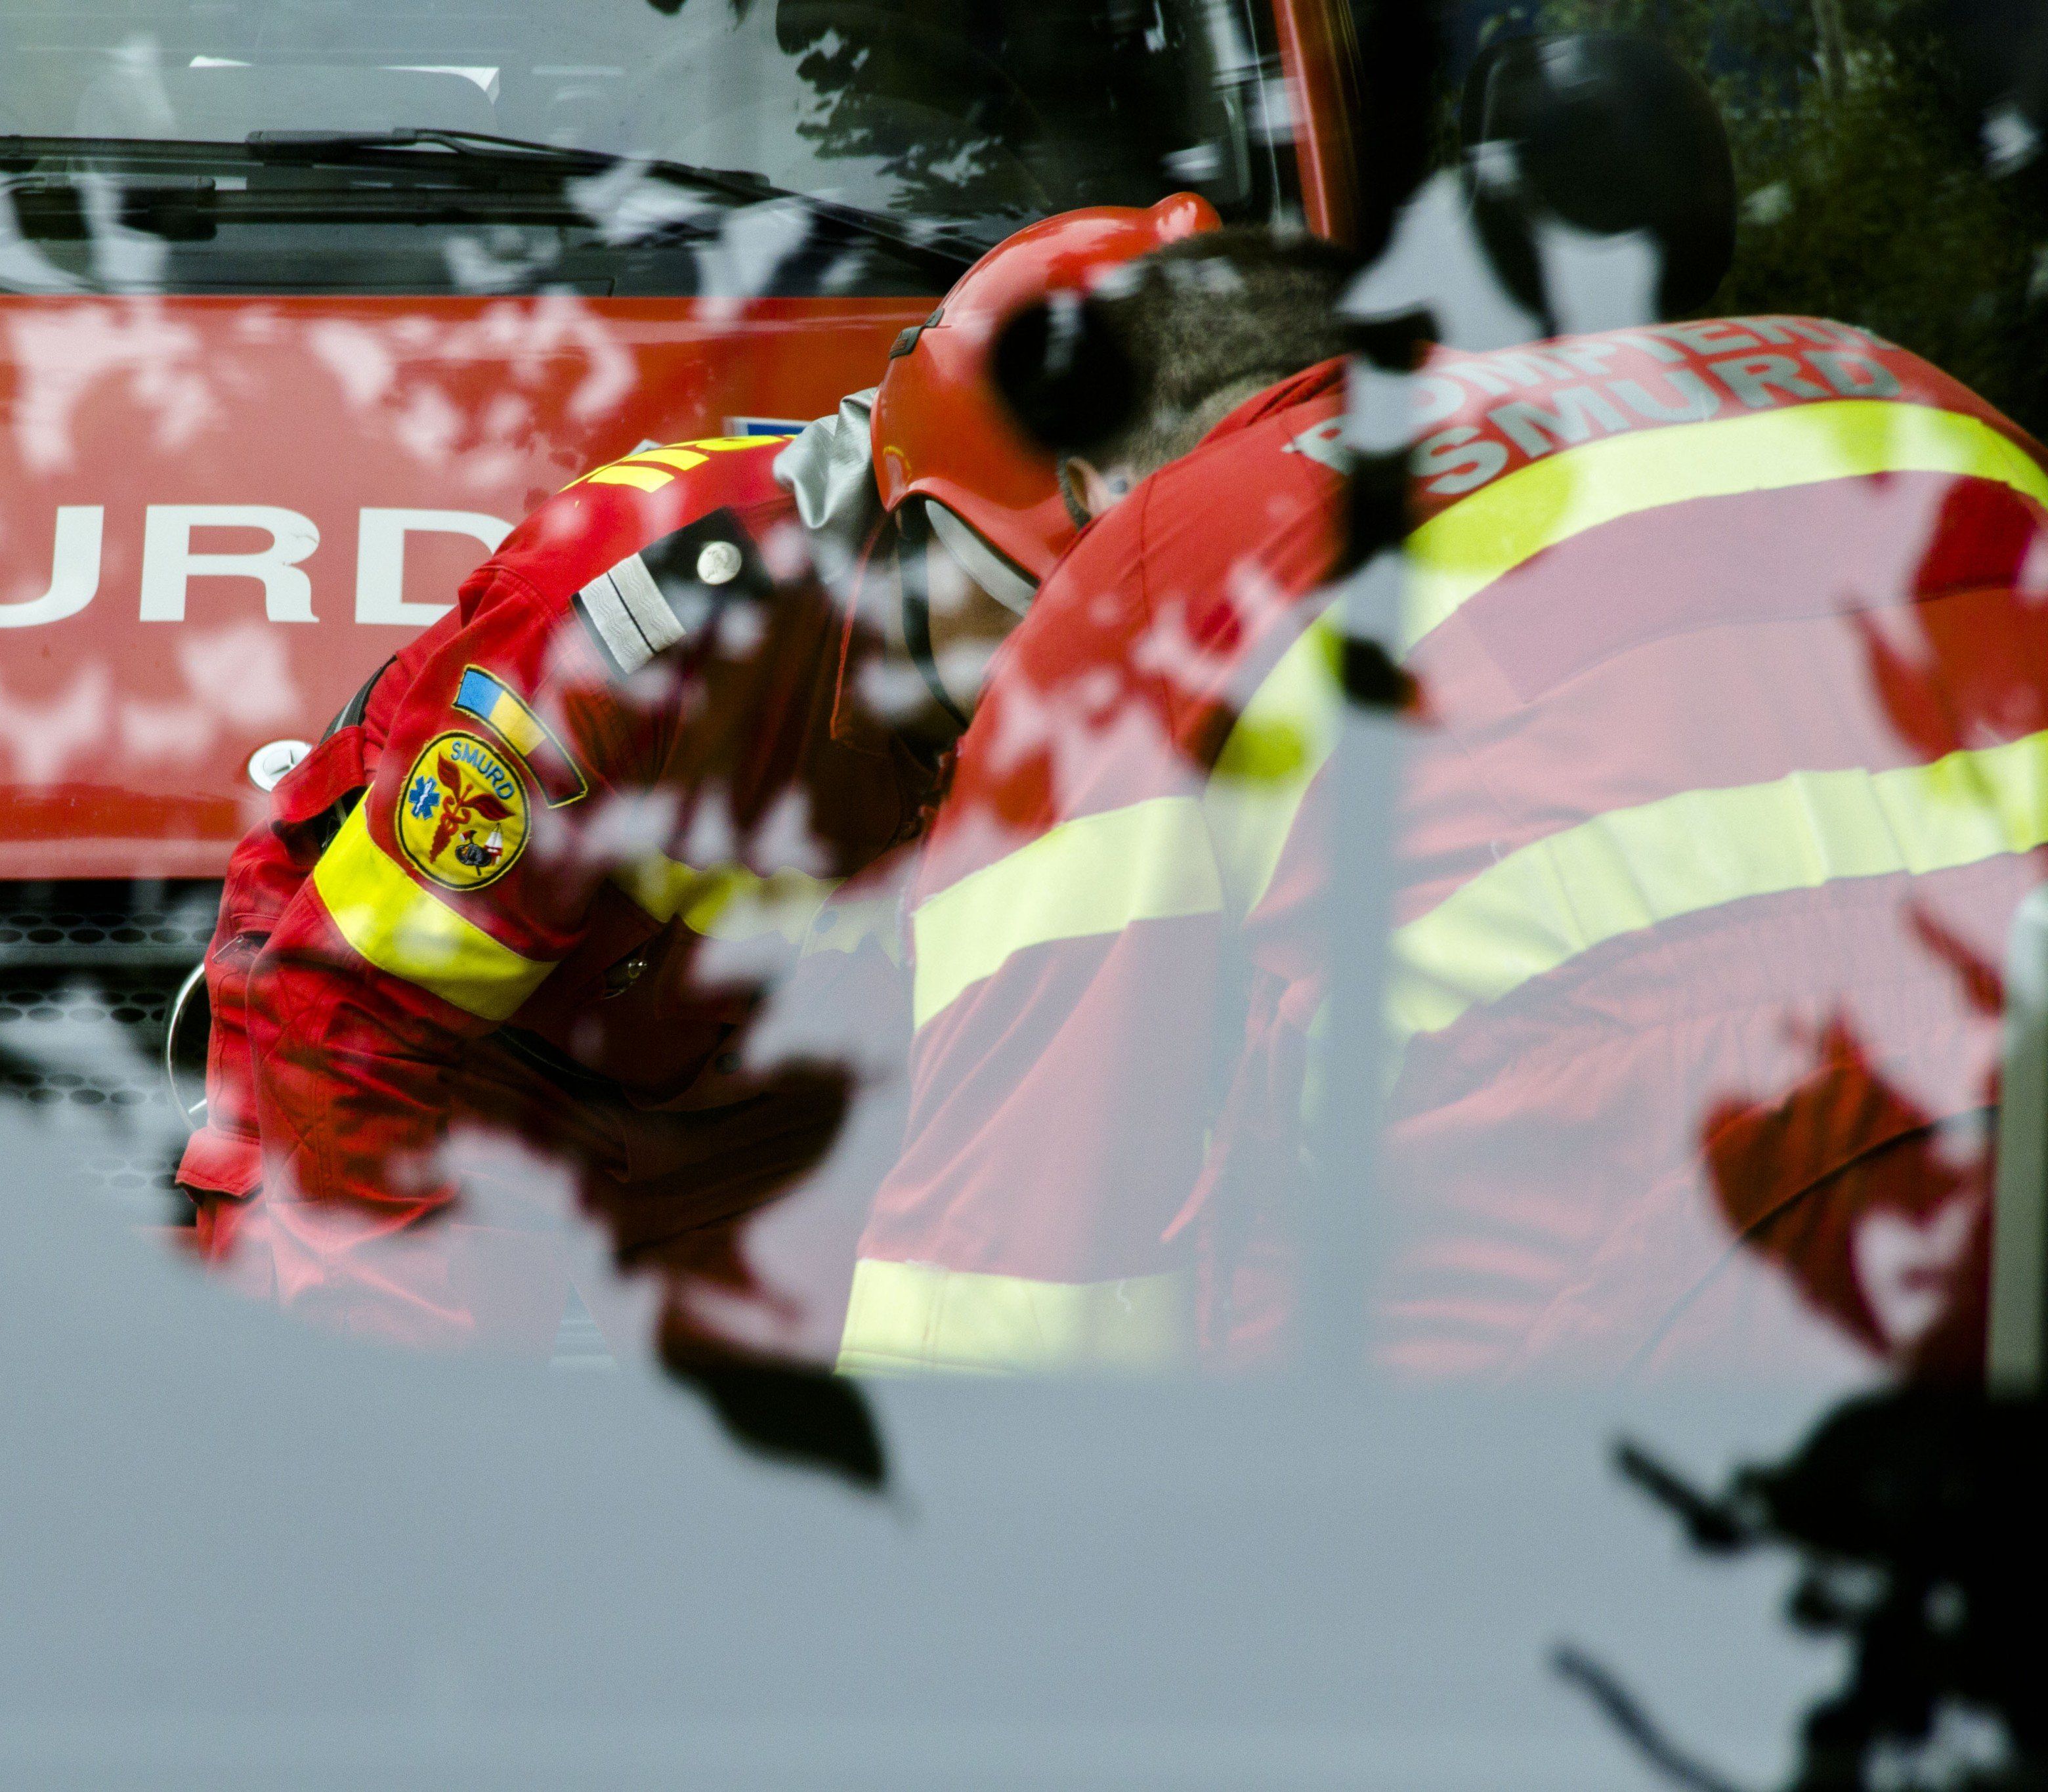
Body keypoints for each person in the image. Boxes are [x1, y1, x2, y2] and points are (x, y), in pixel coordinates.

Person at [842, 227, 2048, 1380]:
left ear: (1091, 484)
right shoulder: (1882, 384)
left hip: (1602, 1317)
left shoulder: (1155, 565)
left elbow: (999, 1290)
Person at [177, 196, 1220, 1366]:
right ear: (912, 520)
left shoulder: (1168, 679)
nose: (1066, 681)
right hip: (443, 1055)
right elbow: (355, 1012)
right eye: (1037, 615)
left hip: (759, 1098)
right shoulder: (635, 622)